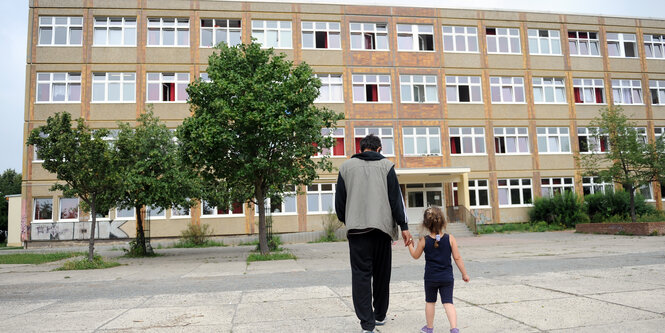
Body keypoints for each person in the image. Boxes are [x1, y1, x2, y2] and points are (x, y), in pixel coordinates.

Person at [335, 134, 412, 333]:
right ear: (379, 149)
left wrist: (350, 219)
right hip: (382, 231)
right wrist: (404, 227)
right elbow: (396, 200)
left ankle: (367, 325)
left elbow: (340, 204)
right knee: (381, 274)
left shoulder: (345, 168)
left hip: (357, 232)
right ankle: (379, 315)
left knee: (360, 276)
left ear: (362, 149)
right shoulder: (387, 167)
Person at [408, 206, 470, 333]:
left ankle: (429, 328)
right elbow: (457, 258)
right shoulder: (450, 238)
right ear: (443, 222)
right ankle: (454, 328)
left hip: (431, 278)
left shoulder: (423, 241)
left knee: (430, 302)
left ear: (425, 224)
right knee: (448, 303)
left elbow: (415, 256)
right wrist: (464, 274)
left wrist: (409, 245)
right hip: (447, 278)